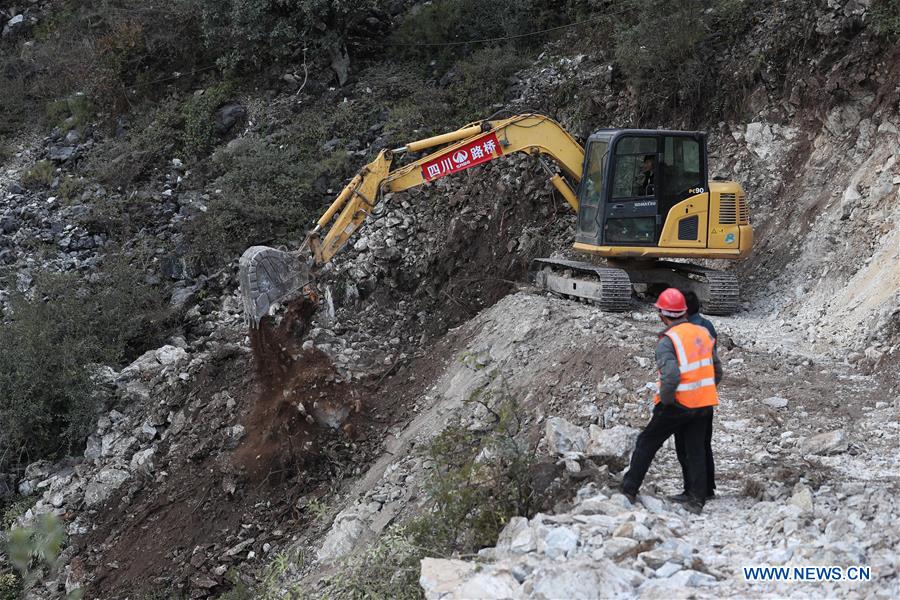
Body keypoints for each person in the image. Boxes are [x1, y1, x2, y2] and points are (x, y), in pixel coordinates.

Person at [620, 288, 723, 514]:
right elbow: (717, 370)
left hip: (678, 403)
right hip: (704, 403)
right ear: (684, 312)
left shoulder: (668, 341)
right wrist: (704, 390)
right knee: (695, 449)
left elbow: (671, 376)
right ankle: (696, 499)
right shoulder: (703, 333)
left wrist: (666, 402)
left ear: (662, 315)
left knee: (646, 443)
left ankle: (628, 490)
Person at [671, 290, 718, 503]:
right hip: (706, 394)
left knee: (686, 446)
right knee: (703, 443)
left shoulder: (682, 332)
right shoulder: (708, 327)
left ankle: (692, 490)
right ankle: (707, 487)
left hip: (686, 396)